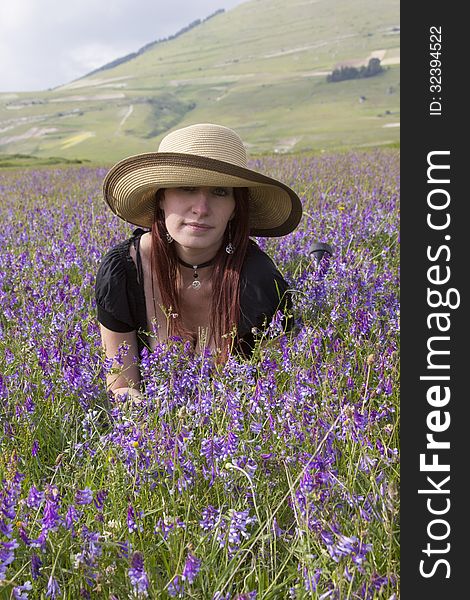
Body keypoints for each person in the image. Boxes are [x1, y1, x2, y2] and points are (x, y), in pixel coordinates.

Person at [95, 123, 302, 401]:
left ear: (234, 208)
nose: (201, 209)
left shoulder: (258, 281)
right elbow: (120, 385)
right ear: (161, 198)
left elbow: (276, 389)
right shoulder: (123, 272)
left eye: (220, 192)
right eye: (187, 188)